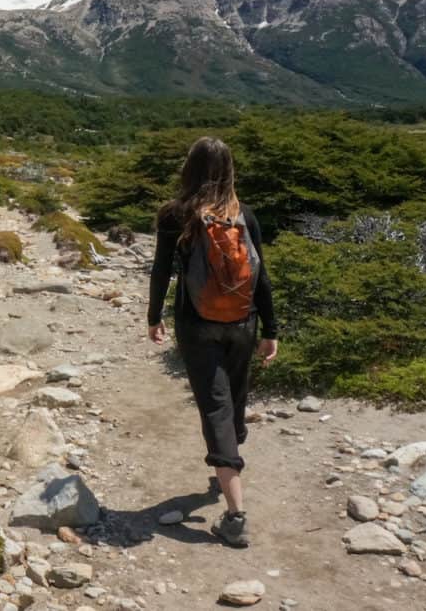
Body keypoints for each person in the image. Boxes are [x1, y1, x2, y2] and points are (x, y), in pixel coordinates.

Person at [146, 137, 278, 548]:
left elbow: (161, 272)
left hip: (196, 323)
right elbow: (263, 278)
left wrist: (154, 317)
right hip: (243, 322)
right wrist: (271, 330)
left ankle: (235, 513)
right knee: (234, 398)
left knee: (215, 406)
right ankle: (228, 461)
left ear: (190, 169)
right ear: (229, 169)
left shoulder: (176, 215)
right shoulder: (244, 215)